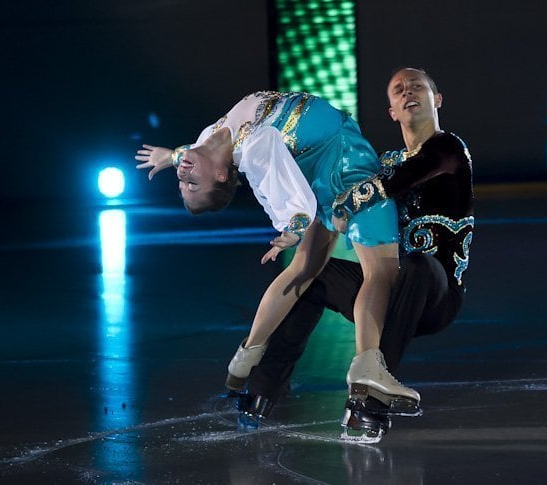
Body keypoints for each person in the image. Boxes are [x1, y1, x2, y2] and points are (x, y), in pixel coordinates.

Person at [135, 91, 420, 414]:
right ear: (221, 175)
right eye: (193, 185)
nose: (183, 177)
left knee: (304, 270)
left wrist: (170, 156)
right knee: (381, 271)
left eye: (182, 184)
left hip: (313, 165)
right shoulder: (253, 150)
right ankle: (367, 369)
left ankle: (246, 358)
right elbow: (283, 188)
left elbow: (192, 156)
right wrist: (294, 226)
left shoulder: (206, 140)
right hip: (345, 164)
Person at [239, 68, 475, 439]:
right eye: (398, 90)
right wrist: (303, 228)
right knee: (311, 276)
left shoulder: (448, 149)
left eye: (417, 86)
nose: (408, 92)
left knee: (419, 265)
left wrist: (351, 200)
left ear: (437, 99)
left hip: (435, 297)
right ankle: (262, 391)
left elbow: (399, 179)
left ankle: (370, 405)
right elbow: (339, 209)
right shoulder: (385, 163)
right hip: (389, 291)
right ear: (392, 111)